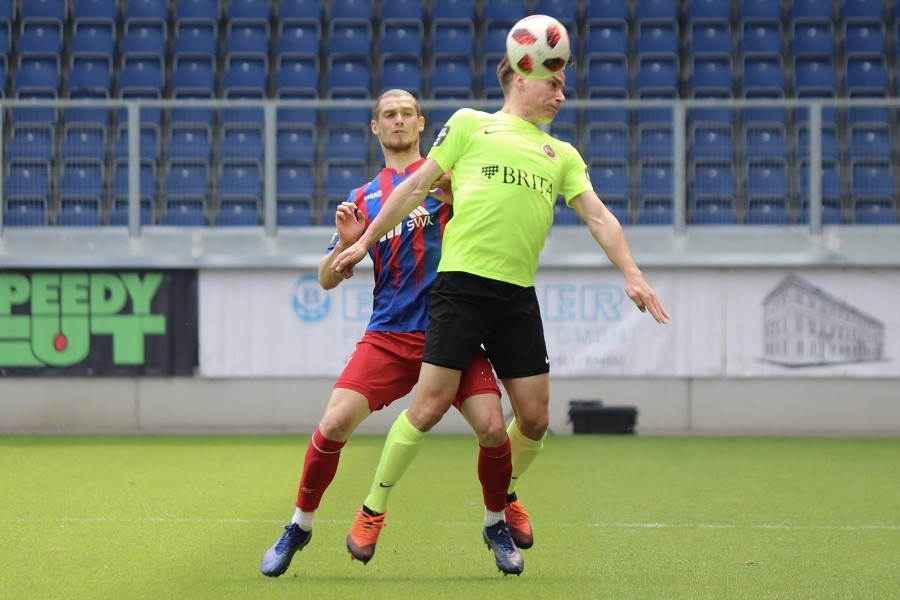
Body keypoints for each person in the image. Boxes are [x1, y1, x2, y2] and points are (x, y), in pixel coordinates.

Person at [332, 55, 670, 574]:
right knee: (426, 409)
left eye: (564, 86)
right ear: (520, 78)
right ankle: (373, 508)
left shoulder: (561, 153)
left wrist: (633, 273)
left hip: (515, 297)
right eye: (553, 84)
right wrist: (365, 244)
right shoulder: (470, 124)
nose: (562, 95)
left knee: (534, 420)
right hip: (461, 291)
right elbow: (415, 187)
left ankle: (501, 500)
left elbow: (599, 215)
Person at [259, 89, 524, 578]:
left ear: (423, 124)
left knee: (492, 426)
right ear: (375, 128)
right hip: (390, 335)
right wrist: (345, 245)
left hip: (455, 334)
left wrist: (460, 197)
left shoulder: (452, 180)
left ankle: (494, 524)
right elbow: (324, 277)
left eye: (406, 114)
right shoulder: (362, 199)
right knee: (334, 422)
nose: (398, 121)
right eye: (388, 115)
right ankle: (299, 524)